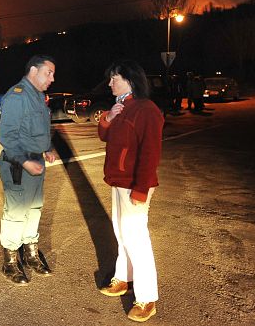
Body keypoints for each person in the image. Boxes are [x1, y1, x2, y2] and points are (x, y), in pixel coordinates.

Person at [97, 60, 164, 322]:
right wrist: (108, 119)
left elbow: (150, 153)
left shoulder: (146, 109)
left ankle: (147, 297)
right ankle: (123, 278)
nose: (110, 83)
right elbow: (105, 136)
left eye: (114, 78)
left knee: (136, 237)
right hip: (118, 181)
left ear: (130, 80)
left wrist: (141, 189)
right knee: (121, 232)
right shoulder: (121, 106)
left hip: (135, 184)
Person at [0, 55, 59, 285]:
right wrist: (24, 161)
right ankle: (10, 261)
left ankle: (30, 253)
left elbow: (40, 129)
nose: (52, 78)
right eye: (48, 73)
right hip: (19, 165)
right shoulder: (18, 96)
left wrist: (48, 148)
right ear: (33, 70)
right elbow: (7, 137)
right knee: (15, 213)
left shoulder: (38, 96)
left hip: (36, 163)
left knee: (34, 209)